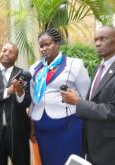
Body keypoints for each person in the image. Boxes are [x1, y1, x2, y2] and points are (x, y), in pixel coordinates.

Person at [61, 25, 115, 165]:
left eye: (103, 39)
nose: (97, 43)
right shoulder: (99, 67)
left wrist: (78, 102)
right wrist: (76, 98)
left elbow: (113, 110)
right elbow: (96, 100)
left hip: (112, 148)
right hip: (92, 144)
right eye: (96, 39)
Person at [29, 28, 91, 165]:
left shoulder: (74, 64)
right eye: (41, 45)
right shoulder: (34, 68)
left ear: (57, 43)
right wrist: (31, 123)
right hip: (42, 127)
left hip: (69, 126)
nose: (44, 48)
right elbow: (33, 99)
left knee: (71, 160)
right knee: (49, 161)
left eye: (48, 44)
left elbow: (87, 97)